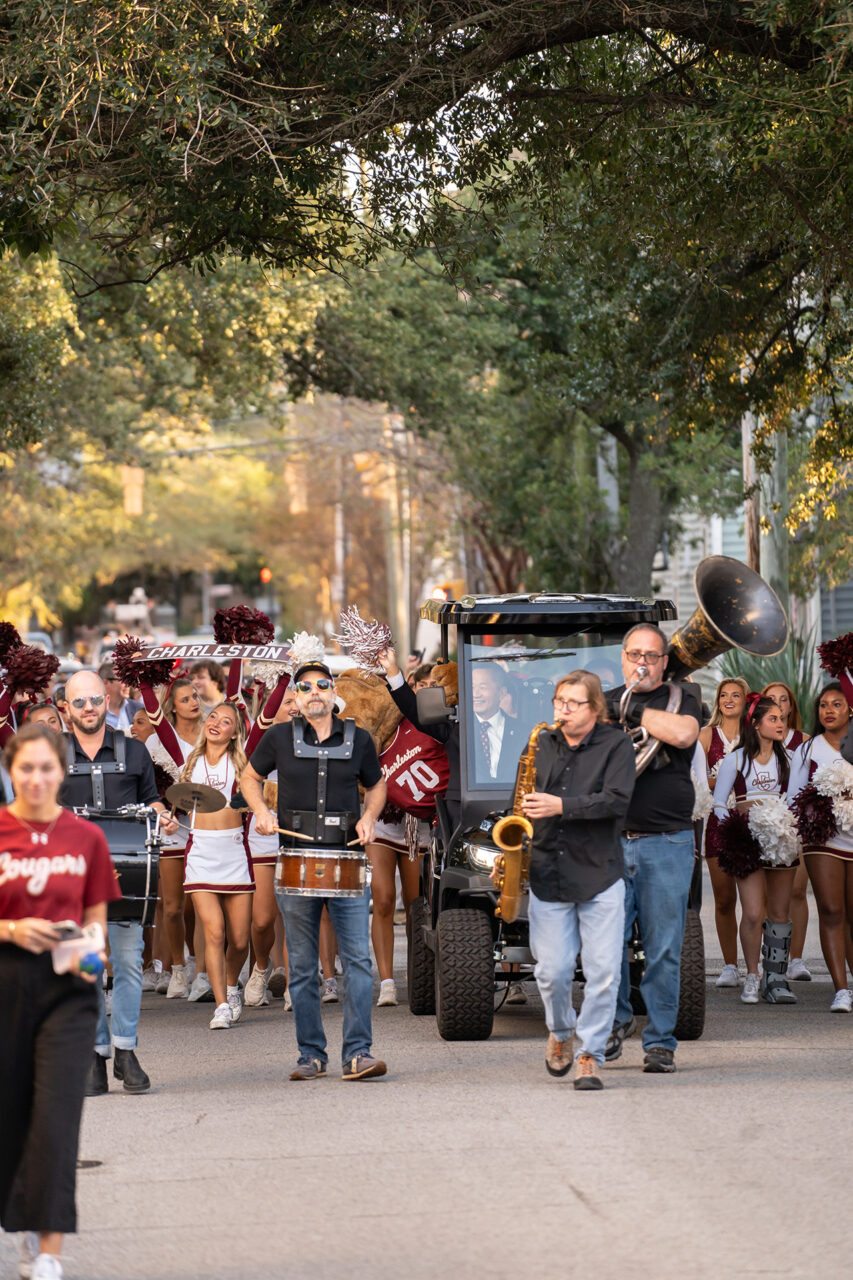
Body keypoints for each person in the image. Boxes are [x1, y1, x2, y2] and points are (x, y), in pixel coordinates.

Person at [0, 724, 119, 1280]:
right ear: (11, 771)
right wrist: (13, 929)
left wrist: (89, 957)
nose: (37, 778)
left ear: (61, 771)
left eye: (47, 768)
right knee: (12, 1115)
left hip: (69, 995)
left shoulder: (85, 838)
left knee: (57, 1117)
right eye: (26, 768)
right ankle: (20, 1220)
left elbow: (98, 925)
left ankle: (49, 1251)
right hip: (6, 985)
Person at [241, 661, 389, 1080]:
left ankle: (358, 1053)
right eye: (305, 688)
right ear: (297, 697)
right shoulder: (278, 738)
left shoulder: (359, 739)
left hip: (347, 859)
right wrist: (262, 811)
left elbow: (377, 785)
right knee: (303, 966)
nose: (314, 693)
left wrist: (369, 817)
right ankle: (311, 1055)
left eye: (322, 685)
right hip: (294, 861)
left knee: (358, 961)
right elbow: (249, 778)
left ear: (333, 692)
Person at [59, 670, 178, 1095]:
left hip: (126, 874)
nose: (89, 708)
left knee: (128, 964)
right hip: (72, 879)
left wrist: (161, 813)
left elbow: (152, 798)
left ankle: (125, 1051)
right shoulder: (52, 754)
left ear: (106, 701)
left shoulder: (134, 750)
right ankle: (95, 1052)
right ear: (66, 708)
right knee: (85, 969)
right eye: (79, 702)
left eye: (94, 700)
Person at [519, 671, 635, 1090]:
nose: (562, 710)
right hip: (548, 869)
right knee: (551, 972)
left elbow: (617, 800)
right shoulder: (541, 742)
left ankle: (590, 1054)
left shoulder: (616, 743)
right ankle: (561, 1030)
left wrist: (561, 805)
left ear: (595, 708)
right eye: (558, 701)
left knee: (604, 973)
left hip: (599, 872)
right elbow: (526, 800)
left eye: (573, 703)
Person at [604, 624, 701, 1074]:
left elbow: (682, 735)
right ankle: (615, 1023)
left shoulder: (685, 697)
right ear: (622, 658)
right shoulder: (599, 698)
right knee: (606, 944)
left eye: (651, 655)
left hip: (667, 842)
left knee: (664, 948)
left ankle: (660, 1041)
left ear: (665, 661)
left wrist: (633, 709)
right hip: (609, 842)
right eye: (634, 654)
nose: (641, 662)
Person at [713, 695, 797, 1004]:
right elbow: (720, 803)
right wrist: (737, 829)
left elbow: (795, 799)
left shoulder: (790, 759)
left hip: (781, 841)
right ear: (756, 723)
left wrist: (783, 826)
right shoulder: (735, 760)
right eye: (773, 719)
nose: (780, 724)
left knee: (778, 913)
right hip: (746, 843)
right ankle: (752, 975)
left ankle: (776, 979)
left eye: (782, 719)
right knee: (751, 913)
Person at [180, 702, 254, 1029]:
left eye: (226, 721)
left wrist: (279, 683)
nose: (216, 723)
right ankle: (221, 1005)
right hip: (200, 854)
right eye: (213, 716)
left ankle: (232, 984)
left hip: (235, 852)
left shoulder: (242, 764)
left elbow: (263, 724)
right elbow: (160, 723)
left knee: (239, 940)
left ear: (235, 731)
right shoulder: (190, 760)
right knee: (214, 931)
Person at [788, 683, 853, 1012]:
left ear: (850, 709)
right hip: (822, 839)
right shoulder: (807, 750)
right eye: (824, 705)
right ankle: (841, 990)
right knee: (831, 910)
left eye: (837, 704)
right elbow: (793, 798)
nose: (828, 710)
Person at [698, 677, 748, 988]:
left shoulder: (755, 735)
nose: (728, 700)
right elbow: (698, 780)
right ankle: (730, 966)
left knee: (757, 903)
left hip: (751, 822)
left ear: (746, 701)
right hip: (717, 823)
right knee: (724, 899)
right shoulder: (706, 736)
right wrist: (723, 780)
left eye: (735, 695)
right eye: (723, 695)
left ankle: (758, 965)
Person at [762, 681, 812, 981]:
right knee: (769, 894)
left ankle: (796, 959)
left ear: (791, 706)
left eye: (783, 700)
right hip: (765, 824)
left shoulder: (804, 741)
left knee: (796, 890)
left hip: (797, 825)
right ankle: (770, 956)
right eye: (771, 700)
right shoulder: (755, 740)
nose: (779, 705)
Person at [470, 664, 523, 785]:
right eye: (472, 687)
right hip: (468, 802)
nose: (476, 694)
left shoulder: (524, 732)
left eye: (483, 687)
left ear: (501, 692)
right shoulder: (457, 729)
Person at [98, 662, 140, 733]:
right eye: (123, 680)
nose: (127, 684)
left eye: (128, 680)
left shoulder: (138, 708)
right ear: (105, 682)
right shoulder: (94, 712)